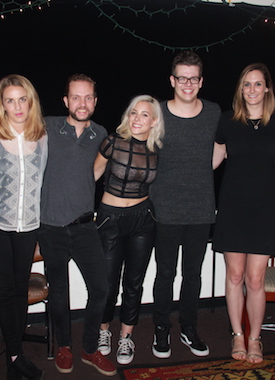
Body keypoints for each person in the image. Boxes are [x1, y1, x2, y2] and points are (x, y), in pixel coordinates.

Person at [37, 74, 116, 376]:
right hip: (51, 226)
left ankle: (89, 349)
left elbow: (95, 171)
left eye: (88, 97)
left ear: (95, 101)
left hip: (85, 226)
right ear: (66, 101)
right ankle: (64, 346)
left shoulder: (100, 133)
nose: (82, 103)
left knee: (101, 288)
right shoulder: (47, 127)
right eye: (76, 97)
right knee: (59, 292)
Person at [212, 63, 275, 364]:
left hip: (263, 208)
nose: (253, 90)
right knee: (235, 275)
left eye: (258, 84)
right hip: (232, 207)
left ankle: (255, 337)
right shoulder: (227, 121)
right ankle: (237, 335)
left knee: (256, 280)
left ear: (267, 88)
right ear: (240, 90)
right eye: (247, 84)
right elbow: (213, 161)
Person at [150, 50, 221, 359]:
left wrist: (201, 173)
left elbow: (219, 153)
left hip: (201, 209)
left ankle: (188, 328)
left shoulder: (215, 113)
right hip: (164, 210)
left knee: (193, 274)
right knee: (165, 274)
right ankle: (161, 328)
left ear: (201, 81)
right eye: (182, 78)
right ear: (172, 80)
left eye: (194, 78)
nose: (188, 84)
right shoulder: (157, 113)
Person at [0, 74, 48, 380]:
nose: (17, 106)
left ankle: (15, 350)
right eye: (10, 100)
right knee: (5, 292)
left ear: (31, 101)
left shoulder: (43, 137)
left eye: (22, 99)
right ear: (1, 104)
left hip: (28, 226)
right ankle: (15, 357)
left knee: (20, 291)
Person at [93, 95, 165, 365]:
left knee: (134, 282)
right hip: (110, 218)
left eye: (144, 114)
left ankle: (126, 336)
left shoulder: (157, 149)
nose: (137, 119)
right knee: (108, 282)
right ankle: (104, 332)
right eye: (133, 112)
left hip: (143, 219)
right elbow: (92, 177)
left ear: (154, 121)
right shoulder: (113, 142)